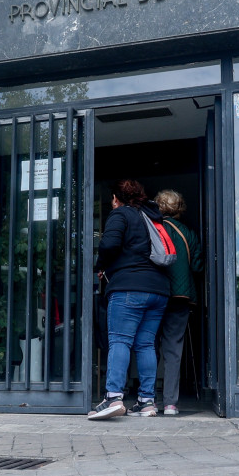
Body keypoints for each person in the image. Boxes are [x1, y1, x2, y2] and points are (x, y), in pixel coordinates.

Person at [88, 179, 170, 420]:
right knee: (145, 344)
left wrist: (101, 265)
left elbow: (109, 244)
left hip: (129, 288)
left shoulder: (120, 214)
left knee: (120, 341)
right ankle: (147, 402)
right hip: (158, 290)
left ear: (116, 198)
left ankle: (113, 397)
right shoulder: (151, 217)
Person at [154, 189, 203, 417]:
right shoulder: (188, 233)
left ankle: (147, 399)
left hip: (156, 293)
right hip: (181, 296)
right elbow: (198, 267)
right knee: (173, 349)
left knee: (148, 345)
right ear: (180, 208)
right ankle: (170, 404)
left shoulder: (154, 229)